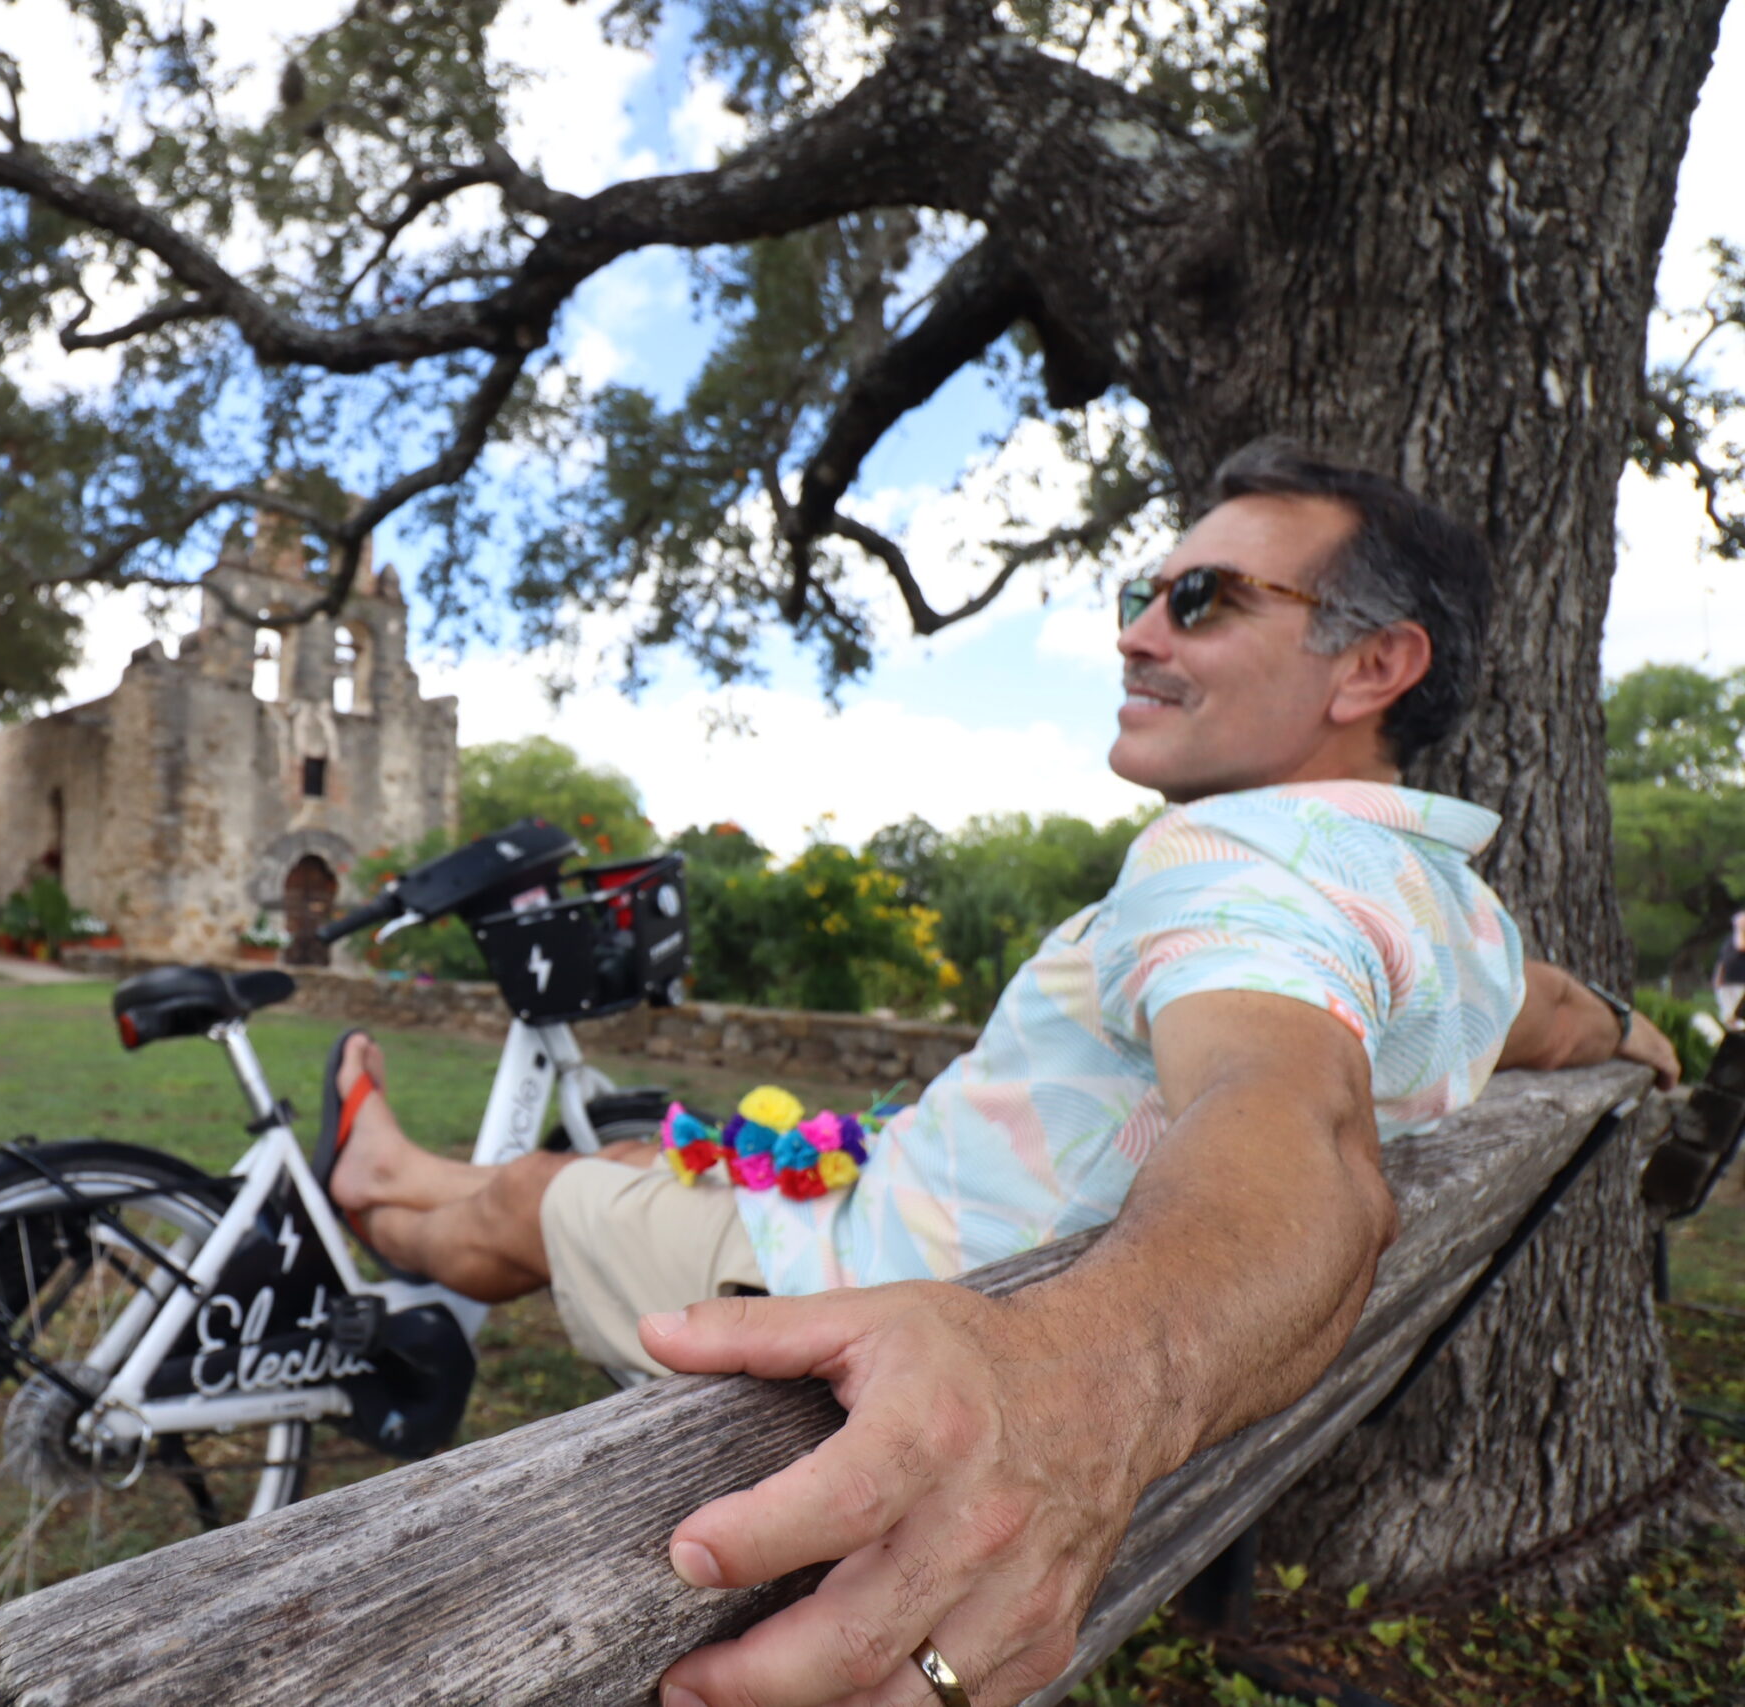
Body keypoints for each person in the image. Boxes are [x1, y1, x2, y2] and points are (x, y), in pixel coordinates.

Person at [316, 440, 1680, 1707]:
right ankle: (434, 1180)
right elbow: (1548, 1017)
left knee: (532, 1197)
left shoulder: (1234, 868)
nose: (1137, 634)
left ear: (1374, 665)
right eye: (1140, 594)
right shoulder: (1446, 910)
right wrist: (1637, 1032)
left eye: (1202, 599)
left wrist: (1085, 1387)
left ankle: (385, 1186)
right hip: (885, 1202)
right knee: (624, 1166)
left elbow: (1296, 1129)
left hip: (843, 1284)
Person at [1716, 908, 1745, 1028]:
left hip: (1742, 985)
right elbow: (1722, 961)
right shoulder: (1728, 941)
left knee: (1740, 1019)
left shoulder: (1740, 939)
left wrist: (1740, 930)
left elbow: (1741, 946)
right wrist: (1717, 980)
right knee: (1729, 1019)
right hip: (1727, 986)